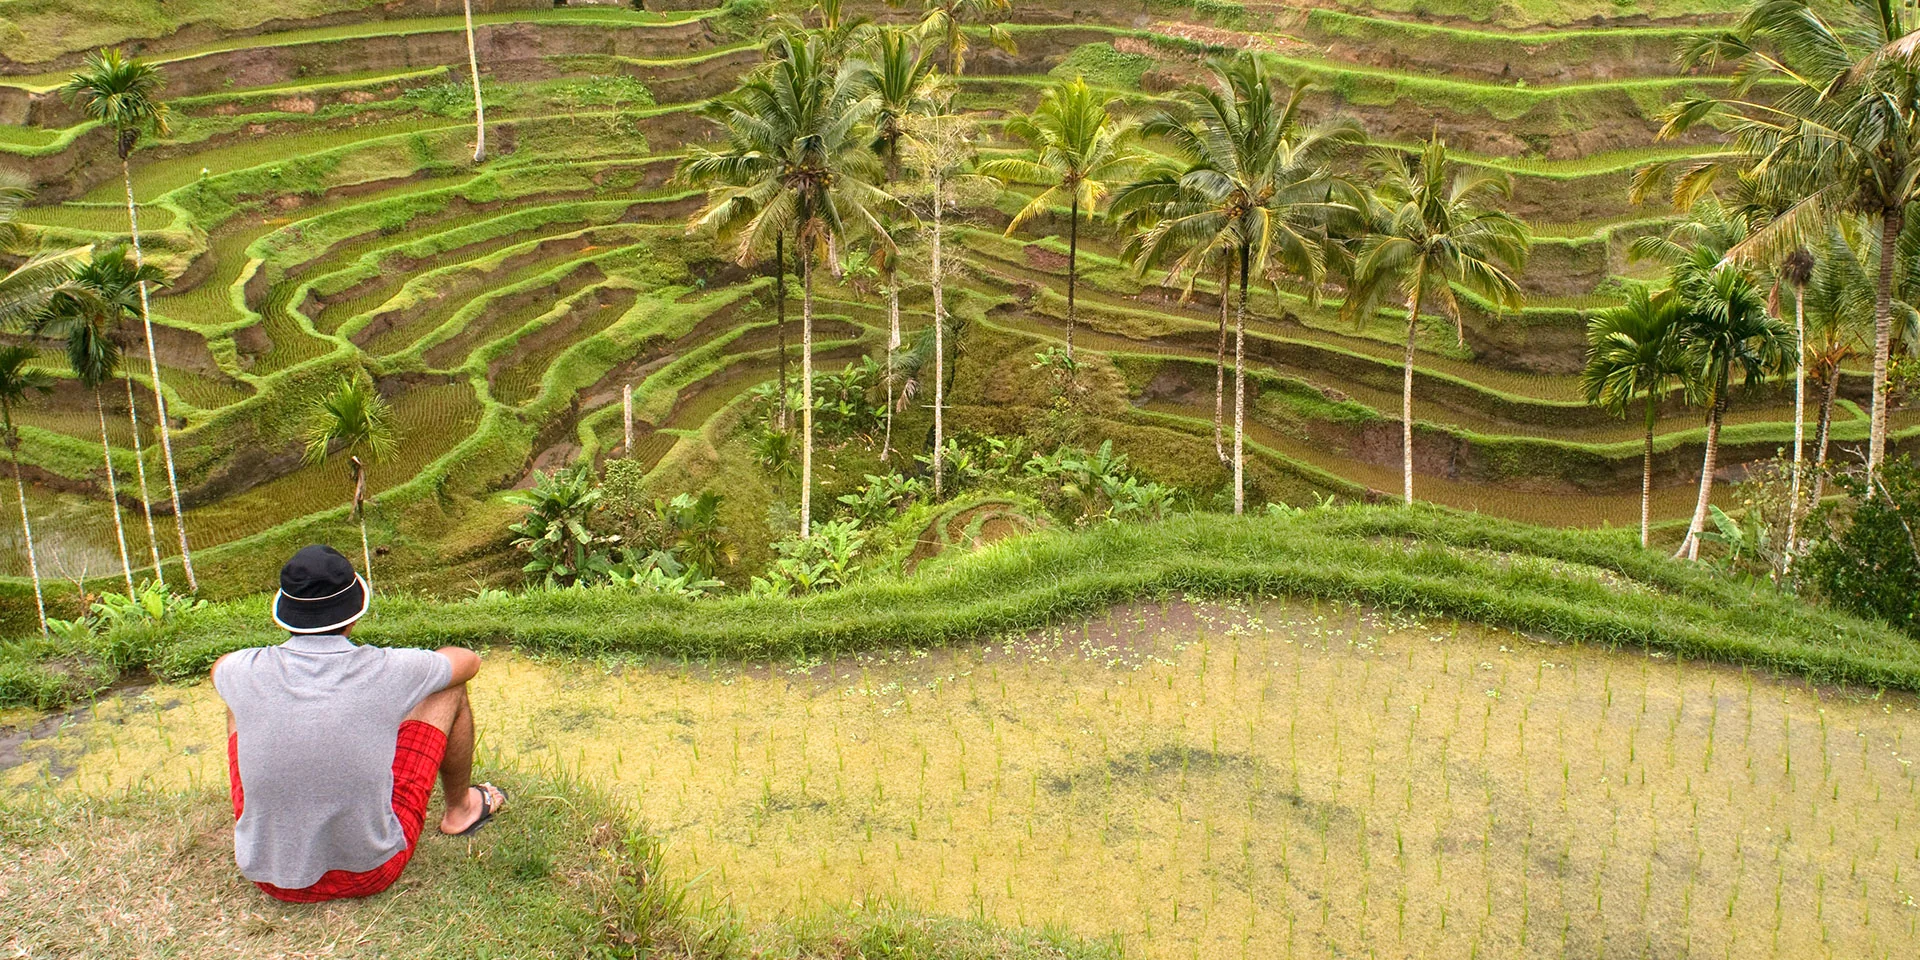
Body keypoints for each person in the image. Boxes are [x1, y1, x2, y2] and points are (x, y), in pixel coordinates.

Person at [212, 544, 508, 902]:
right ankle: (460, 811)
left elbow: (219, 667)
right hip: (369, 873)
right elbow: (468, 661)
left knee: (237, 700)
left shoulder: (240, 670)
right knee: (449, 688)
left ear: (285, 615)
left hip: (270, 874)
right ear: (354, 615)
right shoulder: (389, 668)